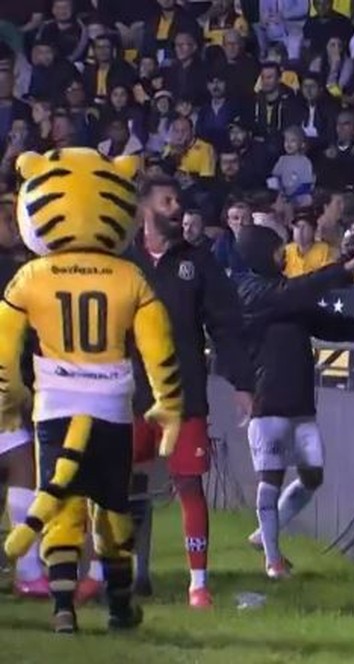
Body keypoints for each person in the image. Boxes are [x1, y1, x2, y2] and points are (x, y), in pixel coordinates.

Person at [0, 149, 183, 634]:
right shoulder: (130, 277)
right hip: (110, 406)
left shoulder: (30, 276)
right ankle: (120, 607)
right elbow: (157, 345)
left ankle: (63, 606)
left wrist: (9, 392)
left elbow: (3, 343)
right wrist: (169, 401)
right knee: (112, 509)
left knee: (60, 503)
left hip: (55, 404)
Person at [109, 176, 254, 609]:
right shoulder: (121, 260)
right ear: (144, 209)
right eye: (167, 201)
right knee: (119, 485)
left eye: (178, 201)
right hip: (127, 393)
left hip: (184, 393)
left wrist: (242, 382)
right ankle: (121, 575)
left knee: (189, 483)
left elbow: (226, 324)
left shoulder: (199, 262)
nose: (178, 208)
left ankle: (198, 585)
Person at [235, 226, 354, 578]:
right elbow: (295, 292)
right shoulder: (250, 291)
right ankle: (273, 560)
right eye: (276, 249)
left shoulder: (285, 296)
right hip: (266, 403)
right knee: (270, 479)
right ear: (260, 253)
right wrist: (346, 267)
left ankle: (266, 532)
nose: (283, 254)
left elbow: (325, 322)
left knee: (313, 476)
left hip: (301, 405)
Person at [0, 201, 45, 598]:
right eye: (5, 221)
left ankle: (29, 573)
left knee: (20, 465)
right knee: (20, 467)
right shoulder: (13, 273)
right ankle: (28, 573)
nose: (13, 227)